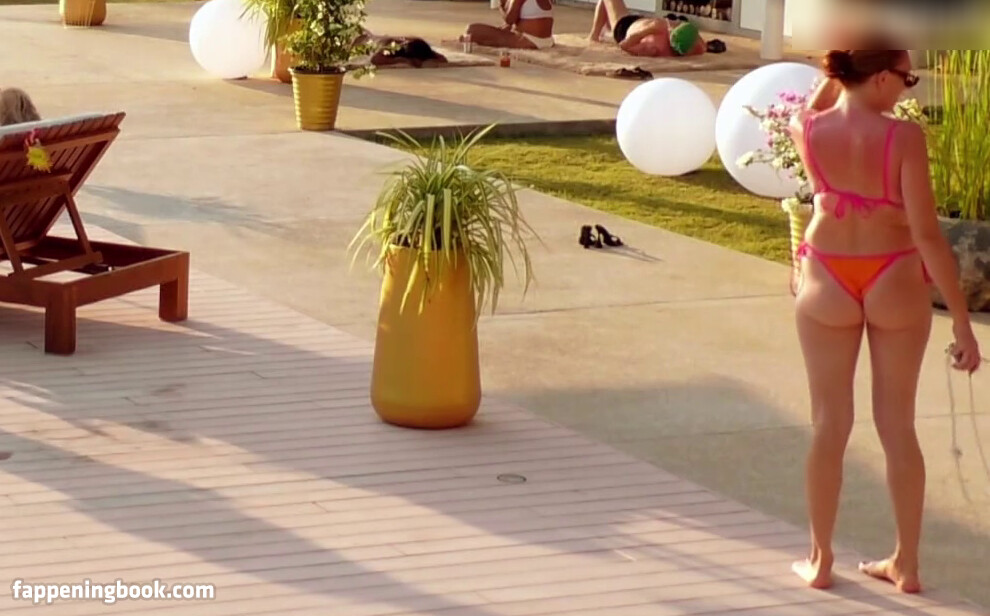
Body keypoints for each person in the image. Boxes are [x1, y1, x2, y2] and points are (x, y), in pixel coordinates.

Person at [787, 47, 981, 594]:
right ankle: (907, 564)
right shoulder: (902, 138)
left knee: (828, 424)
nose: (907, 88)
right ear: (878, 77)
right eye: (905, 77)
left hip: (827, 274)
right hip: (892, 274)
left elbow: (815, 105)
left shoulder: (808, 128)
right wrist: (961, 322)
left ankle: (820, 559)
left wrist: (839, 67)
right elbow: (927, 235)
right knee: (897, 425)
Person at [587, 0, 706, 57]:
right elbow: (702, 46)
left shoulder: (655, 46)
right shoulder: (696, 46)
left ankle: (594, 35)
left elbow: (624, 45)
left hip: (624, 27)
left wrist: (648, 30)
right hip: (641, 20)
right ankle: (606, 26)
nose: (673, 23)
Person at [460, 0, 554, 50]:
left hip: (529, 40)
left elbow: (509, 20)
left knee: (471, 29)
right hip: (547, 40)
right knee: (499, 31)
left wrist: (501, 5)